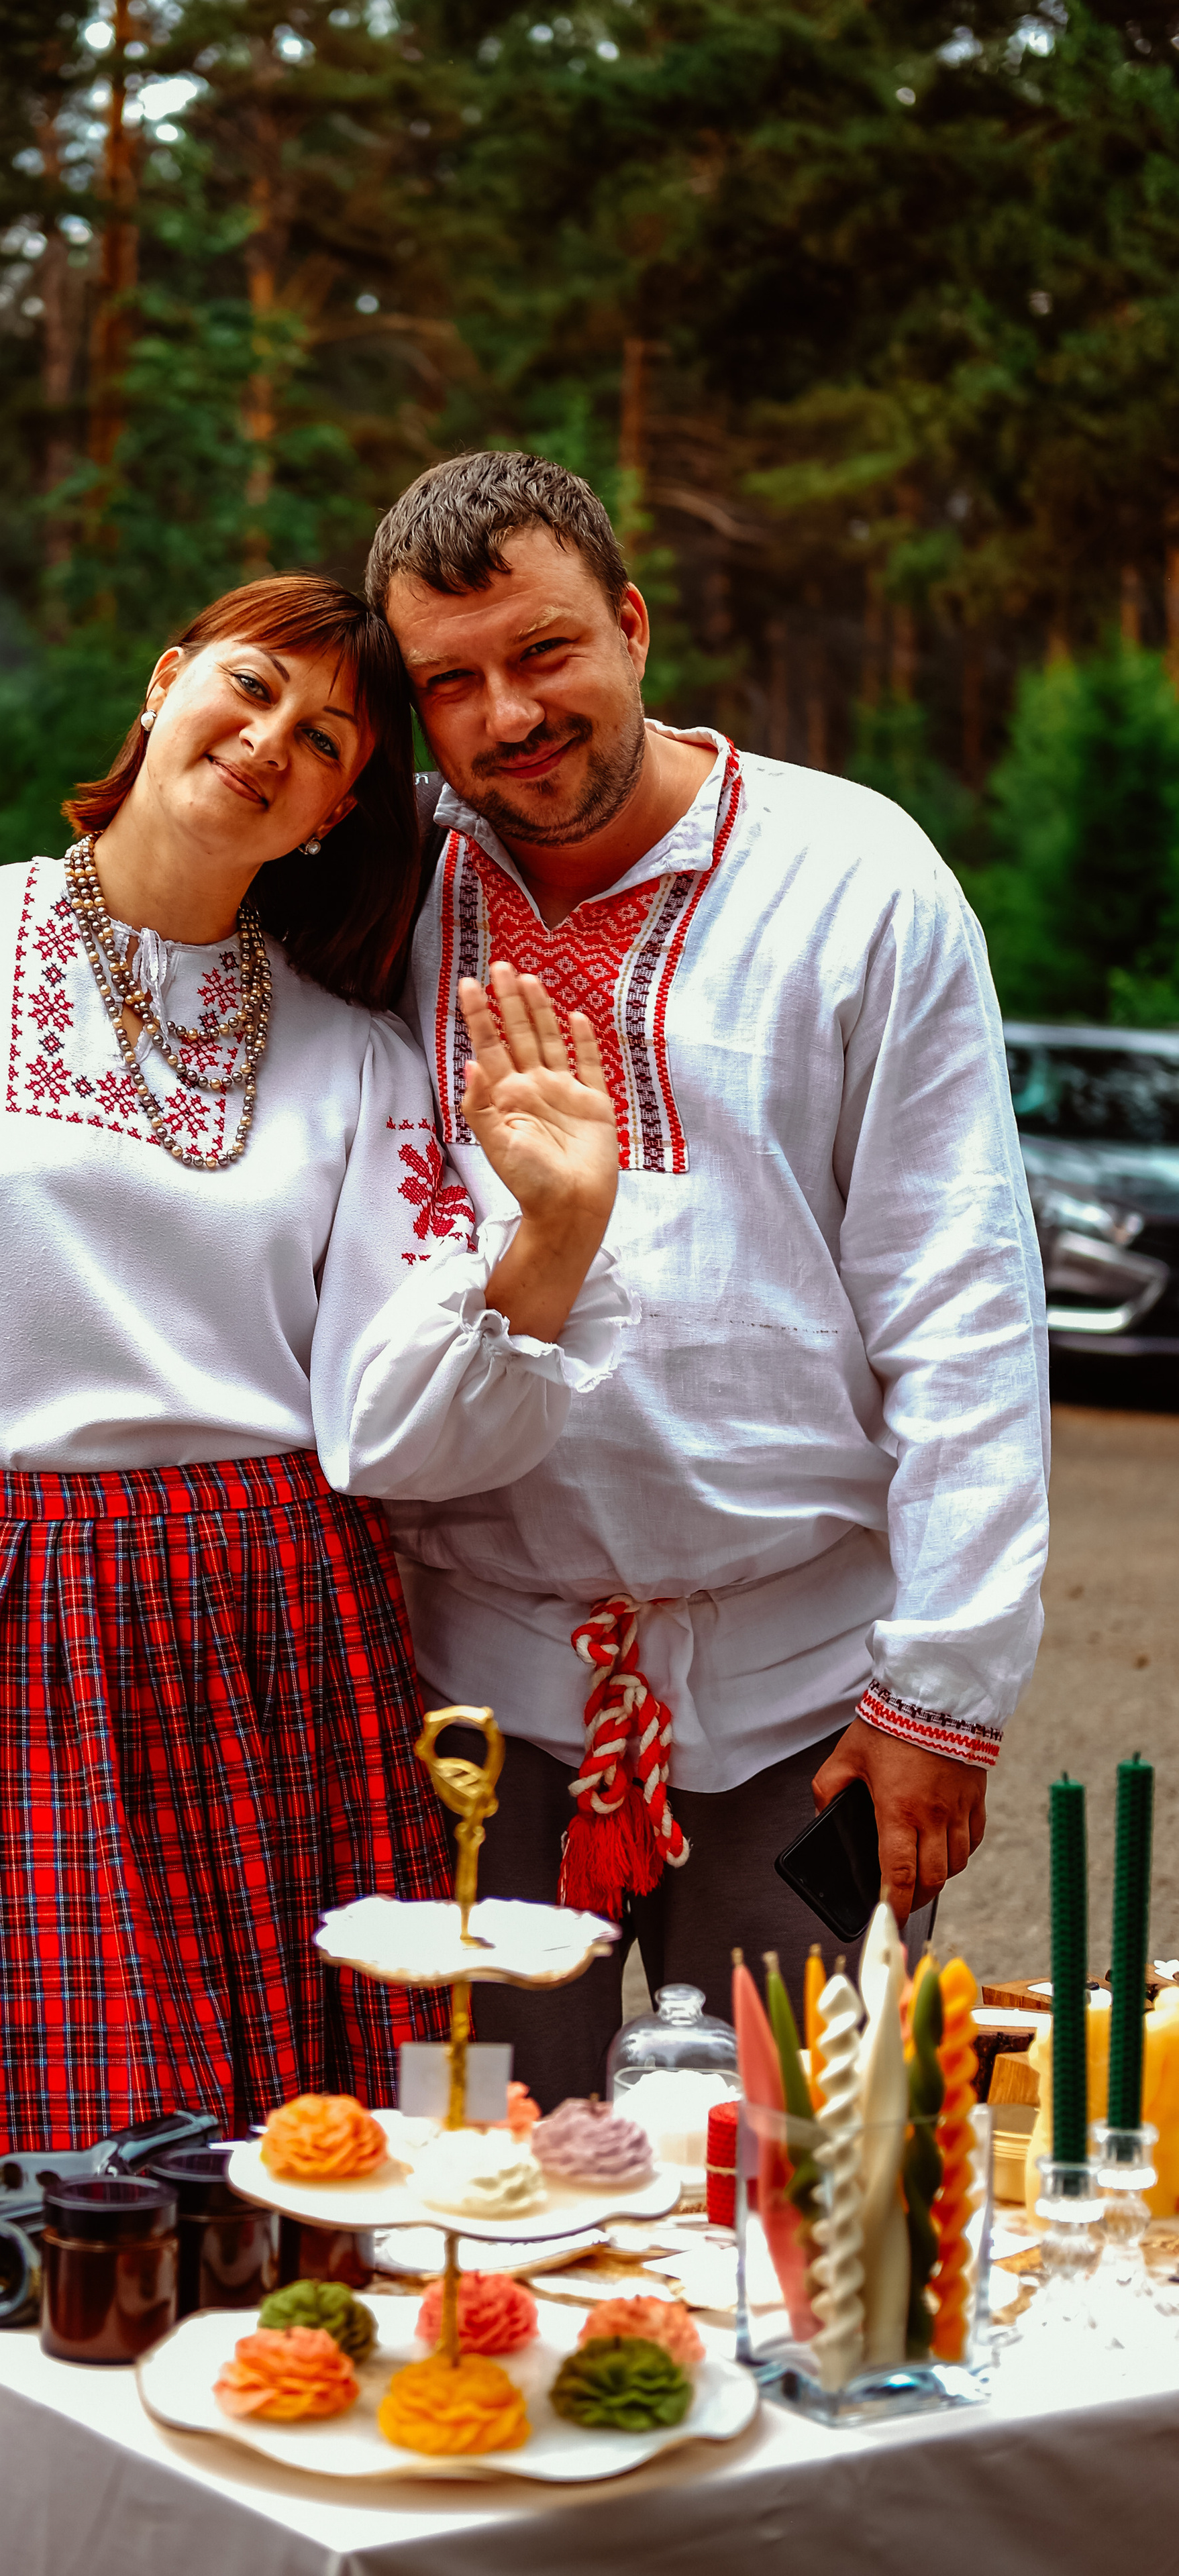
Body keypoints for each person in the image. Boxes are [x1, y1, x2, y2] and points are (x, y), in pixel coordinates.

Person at [0, 573, 631, 2171]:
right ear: (165, 676)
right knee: (56, 2171)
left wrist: (550, 1242)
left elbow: (385, 1421)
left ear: (338, 809)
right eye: (250, 686)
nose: (270, 740)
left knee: (317, 2155)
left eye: (325, 737)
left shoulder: (360, 1061)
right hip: (7, 1617)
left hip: (290, 1626)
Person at [363, 451, 1049, 2102]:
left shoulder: (854, 874)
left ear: (633, 625)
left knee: (810, 2196)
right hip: (474, 1688)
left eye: (541, 653)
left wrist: (942, 1690)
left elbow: (958, 1292)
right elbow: (143, 944)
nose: (503, 716)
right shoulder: (374, 892)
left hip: (811, 1699)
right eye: (448, 683)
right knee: (477, 2187)